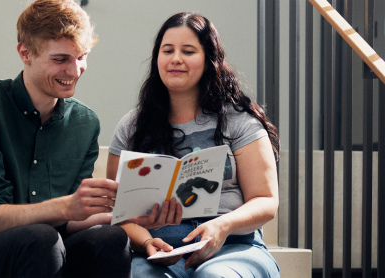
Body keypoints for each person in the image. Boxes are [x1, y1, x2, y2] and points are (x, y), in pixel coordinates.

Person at [0, 0, 177, 276]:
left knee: (111, 238)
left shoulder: (85, 123)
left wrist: (127, 217)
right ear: (25, 53)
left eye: (81, 56)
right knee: (42, 238)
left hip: (50, 250)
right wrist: (67, 206)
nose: (74, 71)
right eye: (60, 59)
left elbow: (69, 222)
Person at [106, 12, 281, 277]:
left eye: (188, 51)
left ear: (209, 60)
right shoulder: (132, 126)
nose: (176, 59)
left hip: (233, 246)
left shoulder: (239, 120)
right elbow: (118, 212)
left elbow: (265, 200)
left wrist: (223, 226)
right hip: (160, 250)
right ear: (157, 59)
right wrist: (146, 242)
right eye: (168, 51)